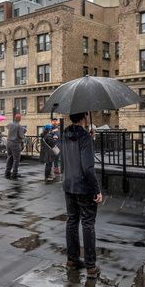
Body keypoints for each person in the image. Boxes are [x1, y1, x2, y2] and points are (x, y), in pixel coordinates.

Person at [61, 112, 103, 278]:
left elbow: (64, 159)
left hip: (68, 183)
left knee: (72, 220)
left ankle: (72, 260)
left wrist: (89, 139)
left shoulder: (65, 133)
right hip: (83, 186)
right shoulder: (84, 137)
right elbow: (87, 167)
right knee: (87, 223)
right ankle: (91, 266)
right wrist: (96, 189)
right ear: (84, 118)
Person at [4, 113, 25, 179]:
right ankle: (14, 173)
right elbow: (21, 136)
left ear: (14, 118)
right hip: (15, 144)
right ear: (20, 119)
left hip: (8, 143)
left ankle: (7, 172)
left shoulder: (11, 124)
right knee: (16, 159)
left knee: (9, 157)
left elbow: (6, 126)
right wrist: (23, 131)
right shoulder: (19, 126)